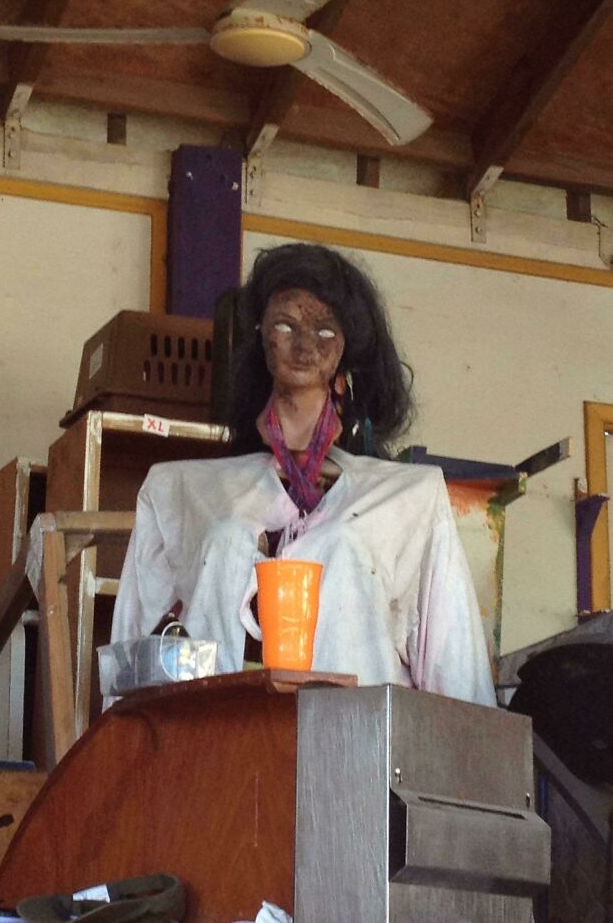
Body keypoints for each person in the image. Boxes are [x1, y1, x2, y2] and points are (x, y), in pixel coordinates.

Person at [110, 242, 496, 706]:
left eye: (325, 330)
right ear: (262, 337)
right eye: (285, 325)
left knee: (340, 542)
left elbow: (455, 664)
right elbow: (136, 649)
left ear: (346, 349)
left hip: (353, 733)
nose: (304, 344)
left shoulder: (407, 497)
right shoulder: (182, 491)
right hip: (224, 733)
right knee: (228, 538)